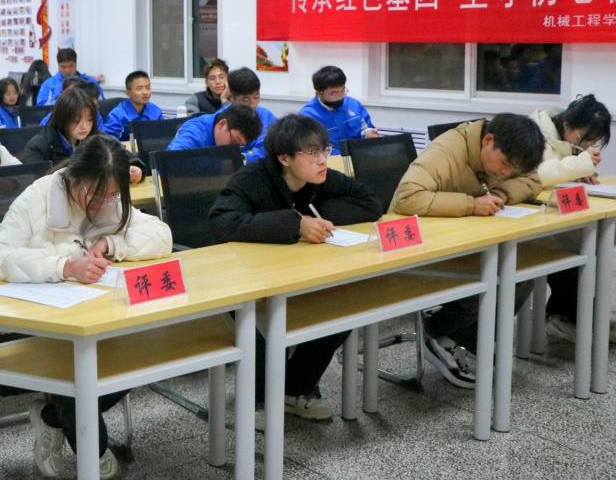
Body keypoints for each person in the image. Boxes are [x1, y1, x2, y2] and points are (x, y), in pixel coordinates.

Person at [0, 135, 173, 478]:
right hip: (35, 320)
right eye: (94, 193)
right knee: (74, 363)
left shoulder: (111, 200)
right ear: (74, 175)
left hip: (96, 316)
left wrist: (111, 243)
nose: (102, 203)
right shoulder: (39, 197)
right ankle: (93, 451)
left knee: (151, 349)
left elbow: (162, 236)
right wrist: (65, 266)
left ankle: (51, 417)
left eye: (111, 195)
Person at [210, 114, 382, 422]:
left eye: (325, 150)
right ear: (284, 158)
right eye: (312, 153)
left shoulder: (318, 177)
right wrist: (295, 224)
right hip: (243, 278)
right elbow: (222, 222)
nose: (322, 160)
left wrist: (315, 216)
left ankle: (294, 389)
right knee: (256, 327)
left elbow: (370, 202)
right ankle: (260, 399)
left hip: (295, 272)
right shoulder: (252, 179)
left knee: (344, 308)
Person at [389, 114, 544, 389]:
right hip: (421, 249)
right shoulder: (446, 151)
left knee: (521, 274)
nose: (505, 173)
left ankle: (452, 338)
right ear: (488, 140)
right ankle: (439, 332)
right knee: (497, 277)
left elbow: (532, 180)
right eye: (504, 165)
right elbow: (407, 198)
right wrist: (470, 204)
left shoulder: (506, 158)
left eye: (512, 170)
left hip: (465, 243)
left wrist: (501, 194)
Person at [528, 95, 613, 343]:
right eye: (585, 138)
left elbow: (560, 171)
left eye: (594, 141)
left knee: (589, 243)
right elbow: (539, 175)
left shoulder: (565, 138)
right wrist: (579, 165)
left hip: (552, 212)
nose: (587, 145)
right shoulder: (536, 131)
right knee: (574, 246)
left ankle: (579, 316)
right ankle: (564, 317)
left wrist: (579, 174)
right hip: (532, 215)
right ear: (568, 124)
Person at [22, 88, 145, 183]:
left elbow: (126, 156)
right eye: (76, 120)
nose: (84, 126)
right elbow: (37, 185)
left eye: (90, 119)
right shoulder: (38, 146)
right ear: (62, 118)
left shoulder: (97, 138)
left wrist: (134, 167)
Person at [298, 65, 377, 155]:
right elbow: (312, 148)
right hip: (329, 160)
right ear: (319, 93)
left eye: (343, 90)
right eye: (333, 93)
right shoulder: (308, 116)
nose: (340, 96)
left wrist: (368, 133)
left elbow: (366, 127)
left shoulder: (353, 104)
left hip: (359, 155)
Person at [226, 67, 277, 162]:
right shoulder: (222, 119)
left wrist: (246, 158)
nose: (253, 104)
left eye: (256, 97)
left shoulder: (267, 116)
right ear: (231, 97)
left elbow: (274, 147)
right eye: (245, 100)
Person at [167, 103, 262, 154]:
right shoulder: (195, 132)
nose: (234, 149)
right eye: (234, 141)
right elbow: (171, 162)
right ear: (222, 124)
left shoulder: (237, 135)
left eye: (240, 145)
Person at [102, 70, 164, 141]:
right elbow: (107, 141)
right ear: (127, 93)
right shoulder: (118, 115)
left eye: (148, 88)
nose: (145, 92)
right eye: (139, 89)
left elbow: (162, 137)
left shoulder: (156, 111)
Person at [36, 48, 103, 106]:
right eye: (63, 67)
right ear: (58, 66)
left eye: (71, 66)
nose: (67, 70)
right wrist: (64, 99)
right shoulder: (48, 85)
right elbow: (41, 108)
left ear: (76, 64)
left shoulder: (90, 82)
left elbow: (102, 102)